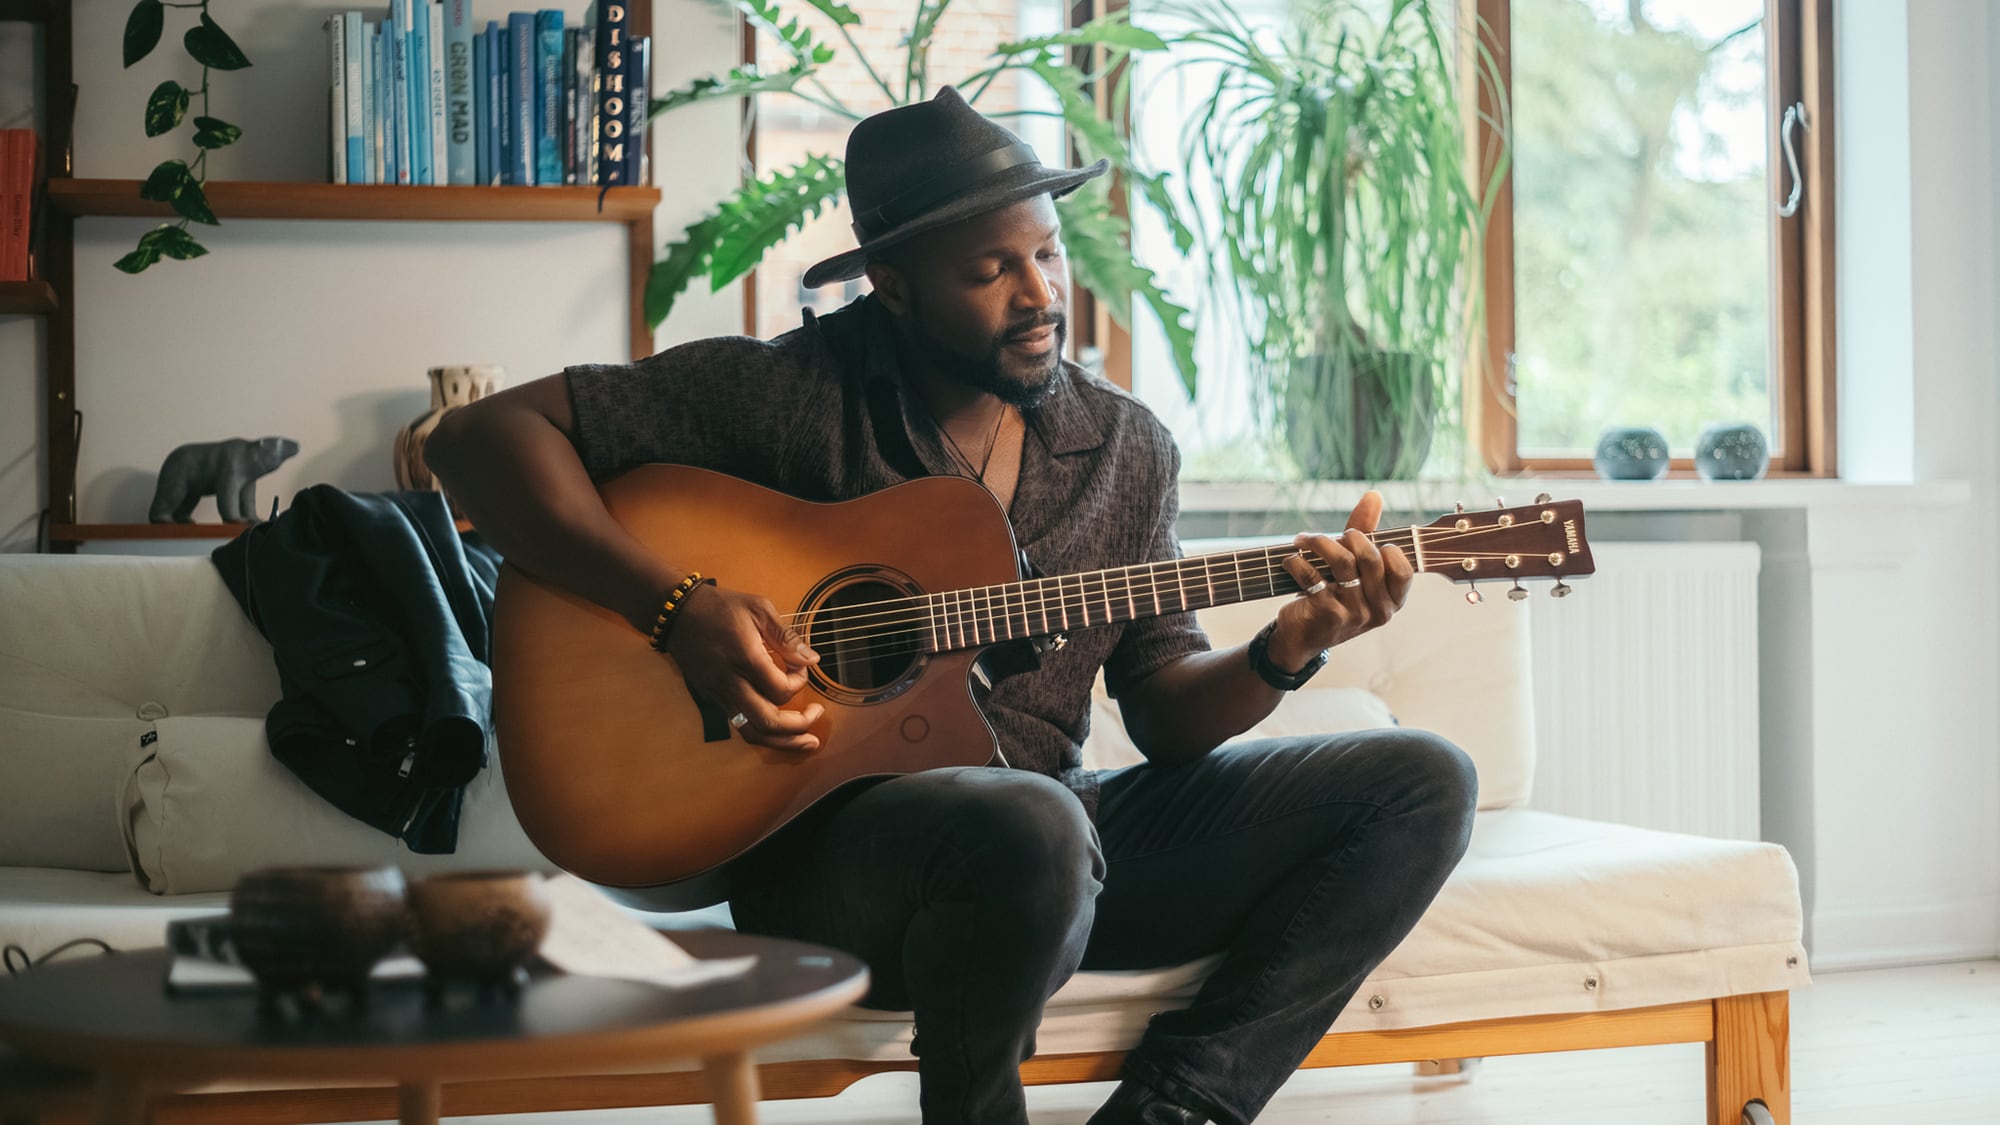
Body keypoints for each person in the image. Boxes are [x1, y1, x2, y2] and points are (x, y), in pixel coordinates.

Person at [427, 87, 1477, 1125]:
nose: (1039, 293)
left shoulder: (1121, 445)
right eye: (990, 270)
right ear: (890, 283)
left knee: (1419, 780)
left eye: (1048, 254)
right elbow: (478, 441)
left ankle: (1179, 1109)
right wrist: (673, 610)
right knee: (1029, 822)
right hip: (842, 868)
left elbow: (1159, 710)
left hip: (1062, 849)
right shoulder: (788, 395)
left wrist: (1281, 653)